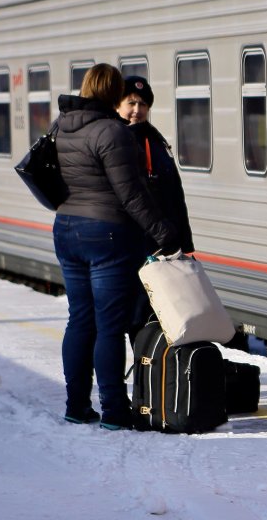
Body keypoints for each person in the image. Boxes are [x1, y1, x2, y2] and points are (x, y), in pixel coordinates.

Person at [53, 63, 179, 430]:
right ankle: (113, 409)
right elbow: (132, 195)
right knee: (109, 325)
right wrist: (165, 233)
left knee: (80, 319)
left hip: (66, 229)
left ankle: (76, 405)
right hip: (106, 233)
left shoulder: (61, 126)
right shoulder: (113, 132)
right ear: (112, 93)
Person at [116, 75, 195, 338]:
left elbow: (175, 194)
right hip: (133, 242)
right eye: (131, 103)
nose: (137, 110)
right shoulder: (115, 139)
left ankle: (151, 359)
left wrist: (185, 242)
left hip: (162, 241)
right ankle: (142, 356)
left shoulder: (155, 139)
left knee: (162, 310)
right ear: (117, 105)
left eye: (142, 104)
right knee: (137, 312)